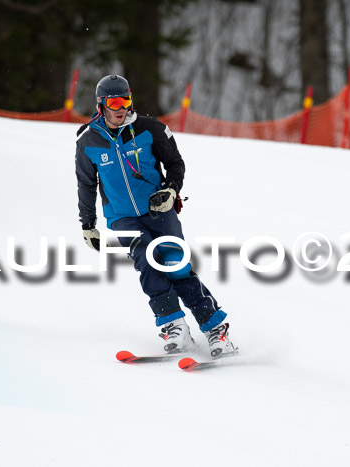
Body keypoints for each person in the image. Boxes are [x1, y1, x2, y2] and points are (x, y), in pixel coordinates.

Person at [75, 74, 235, 357]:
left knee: (175, 264)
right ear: (101, 105)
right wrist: (88, 224)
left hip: (158, 211)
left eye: (126, 100)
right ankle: (174, 325)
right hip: (122, 218)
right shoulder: (88, 140)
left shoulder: (150, 129)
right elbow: (86, 184)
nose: (121, 107)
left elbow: (175, 163)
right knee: (147, 260)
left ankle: (215, 330)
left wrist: (172, 191)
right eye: (114, 102)